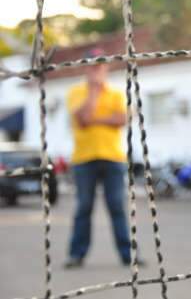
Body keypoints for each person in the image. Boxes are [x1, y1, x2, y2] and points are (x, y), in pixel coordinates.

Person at [65, 48, 130, 268]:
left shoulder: (116, 93)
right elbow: (82, 119)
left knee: (117, 206)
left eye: (100, 65)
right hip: (84, 158)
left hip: (113, 157)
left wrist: (94, 118)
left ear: (106, 67)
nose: (97, 70)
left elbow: (121, 119)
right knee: (84, 207)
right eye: (93, 66)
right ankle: (77, 254)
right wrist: (93, 92)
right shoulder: (76, 92)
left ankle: (127, 254)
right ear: (87, 67)